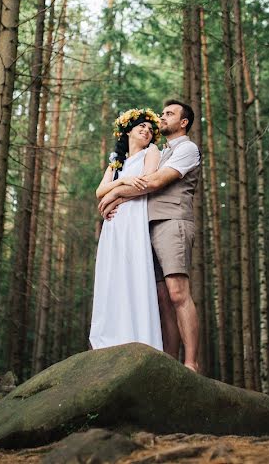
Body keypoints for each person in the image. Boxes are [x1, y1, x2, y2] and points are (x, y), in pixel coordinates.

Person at [98, 99, 201, 373]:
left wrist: (115, 193)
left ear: (183, 122)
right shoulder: (159, 151)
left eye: (169, 114)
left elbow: (152, 182)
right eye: (163, 113)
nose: (162, 117)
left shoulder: (187, 149)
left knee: (178, 293)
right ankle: (169, 361)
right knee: (161, 298)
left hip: (172, 221)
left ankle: (190, 363)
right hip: (146, 228)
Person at [89, 108, 164, 351]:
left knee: (134, 273)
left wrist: (115, 198)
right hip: (113, 226)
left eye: (150, 130)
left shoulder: (151, 151)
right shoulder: (116, 162)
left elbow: (147, 182)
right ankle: (111, 339)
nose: (146, 131)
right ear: (128, 130)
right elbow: (100, 191)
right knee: (113, 276)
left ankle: (139, 338)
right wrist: (121, 181)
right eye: (141, 126)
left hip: (134, 220)